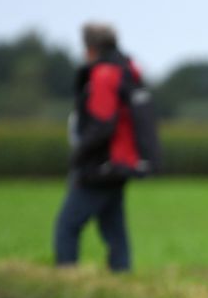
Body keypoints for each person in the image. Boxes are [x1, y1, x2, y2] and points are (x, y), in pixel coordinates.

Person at [53, 23, 144, 271]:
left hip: (101, 164)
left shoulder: (105, 74)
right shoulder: (126, 69)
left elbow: (103, 124)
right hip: (121, 161)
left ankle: (66, 280)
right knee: (114, 227)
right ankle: (122, 277)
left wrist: (80, 155)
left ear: (90, 48)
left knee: (67, 226)